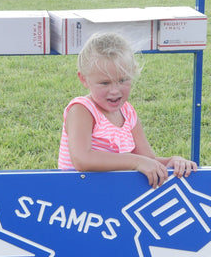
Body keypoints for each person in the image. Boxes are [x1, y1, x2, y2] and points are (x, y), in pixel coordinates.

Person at [58, 32, 197, 187]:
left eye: (123, 80)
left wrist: (171, 161)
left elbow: (147, 160)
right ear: (84, 79)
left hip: (113, 194)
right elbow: (82, 159)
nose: (115, 90)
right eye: (105, 83)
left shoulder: (128, 113)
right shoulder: (82, 110)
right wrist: (136, 161)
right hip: (75, 198)